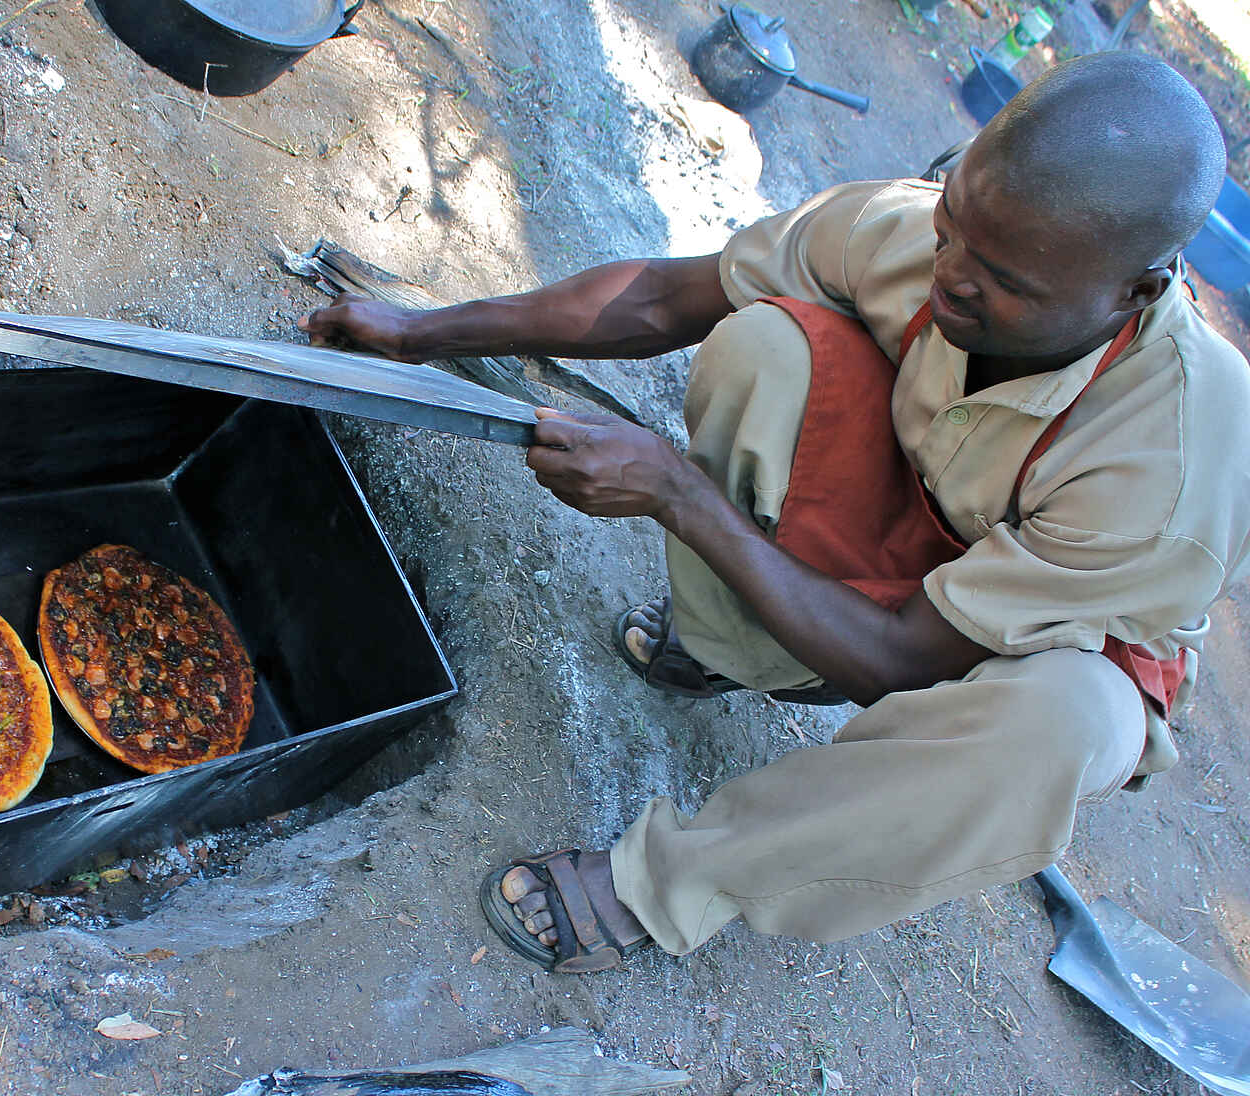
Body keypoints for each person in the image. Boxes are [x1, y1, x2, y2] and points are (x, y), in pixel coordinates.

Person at [299, 52, 1250, 972]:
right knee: (765, 346)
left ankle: (667, 887)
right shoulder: (913, 233)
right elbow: (667, 297)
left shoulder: (1169, 472)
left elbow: (904, 663)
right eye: (955, 221)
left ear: (1136, 291)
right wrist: (421, 330)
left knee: (1057, 730)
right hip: (920, 518)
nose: (952, 273)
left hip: (1029, 644)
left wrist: (678, 492)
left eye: (1006, 281)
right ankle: (737, 647)